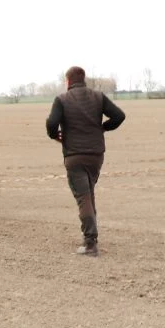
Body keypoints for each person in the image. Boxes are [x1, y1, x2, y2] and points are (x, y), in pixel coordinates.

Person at [46, 66, 126, 256]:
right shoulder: (98, 97)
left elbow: (51, 124)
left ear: (68, 81)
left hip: (74, 155)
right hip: (96, 155)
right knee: (88, 194)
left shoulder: (62, 99)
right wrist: (103, 128)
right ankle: (91, 237)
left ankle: (90, 243)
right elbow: (119, 116)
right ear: (83, 80)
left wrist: (55, 136)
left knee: (83, 197)